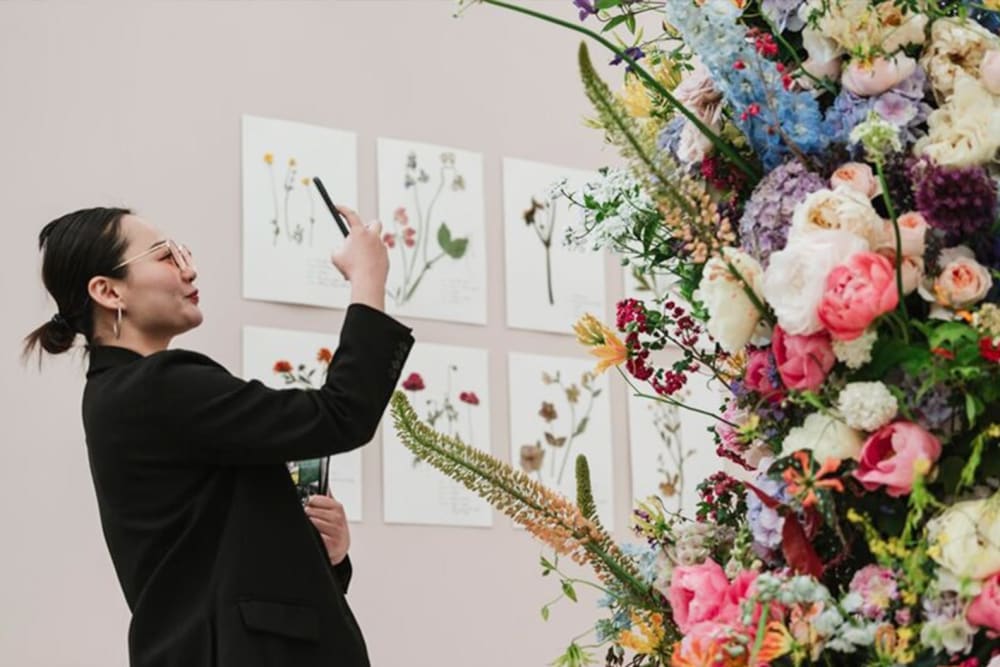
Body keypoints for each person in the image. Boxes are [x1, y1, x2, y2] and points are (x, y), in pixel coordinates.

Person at [23, 206, 413, 666]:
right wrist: (368, 280)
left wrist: (323, 552)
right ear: (107, 291)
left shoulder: (116, 395)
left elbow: (214, 561)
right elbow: (342, 412)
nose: (189, 268)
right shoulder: (158, 386)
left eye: (182, 251)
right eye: (165, 256)